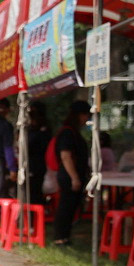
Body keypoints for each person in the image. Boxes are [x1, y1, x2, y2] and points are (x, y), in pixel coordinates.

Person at [52, 100, 91, 246]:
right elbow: (65, 156)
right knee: (66, 206)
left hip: (74, 174)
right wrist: (74, 178)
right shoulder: (68, 133)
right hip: (69, 175)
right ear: (78, 115)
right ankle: (60, 237)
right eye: (85, 115)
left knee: (71, 206)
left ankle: (65, 236)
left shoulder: (73, 132)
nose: (87, 119)